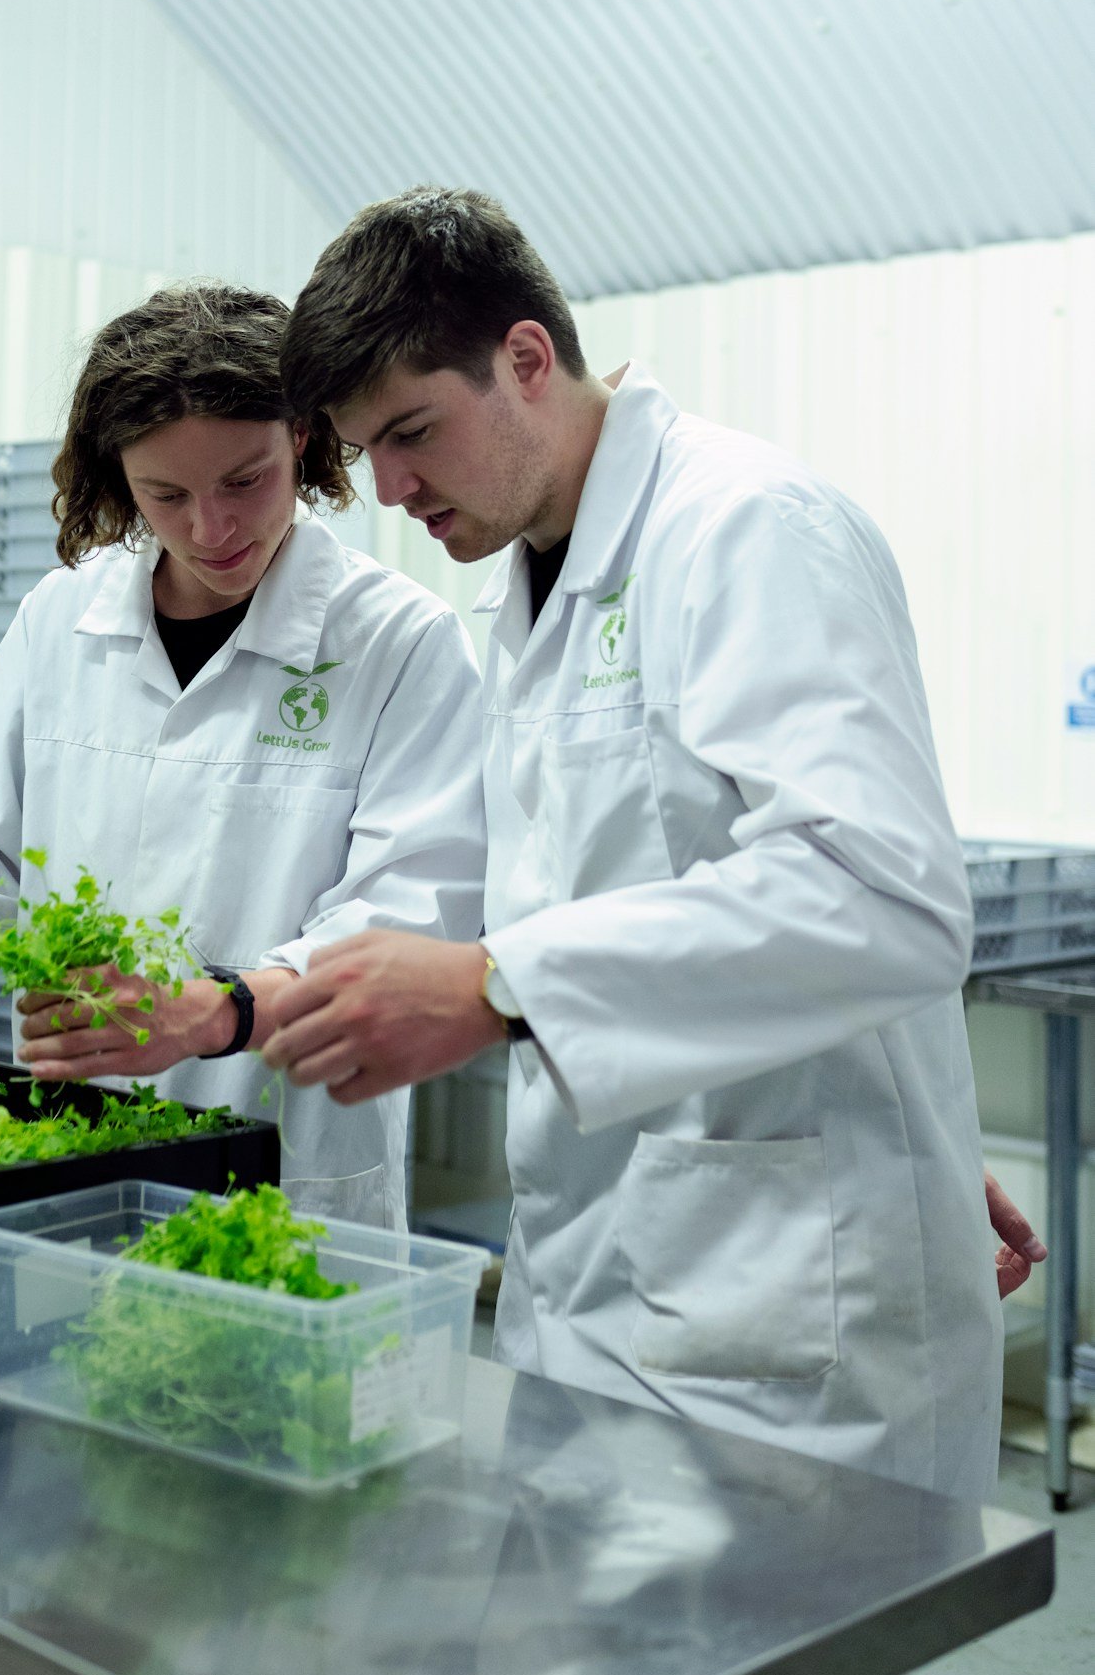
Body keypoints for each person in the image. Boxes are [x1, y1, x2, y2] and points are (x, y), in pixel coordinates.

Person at [265, 186, 1007, 1508]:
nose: (388, 490)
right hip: (600, 1293)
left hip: (784, 1335)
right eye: (366, 451)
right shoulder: (531, 594)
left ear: (528, 361)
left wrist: (500, 984)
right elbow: (587, 881)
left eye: (411, 432)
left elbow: (886, 895)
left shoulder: (745, 529)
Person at [0, 279, 485, 1232]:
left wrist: (222, 1011)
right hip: (63, 1137)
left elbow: (408, 913)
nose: (211, 529)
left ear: (305, 442)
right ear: (122, 481)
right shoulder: (61, 617)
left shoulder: (400, 641)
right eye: (167, 494)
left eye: (245, 480)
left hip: (285, 1157)